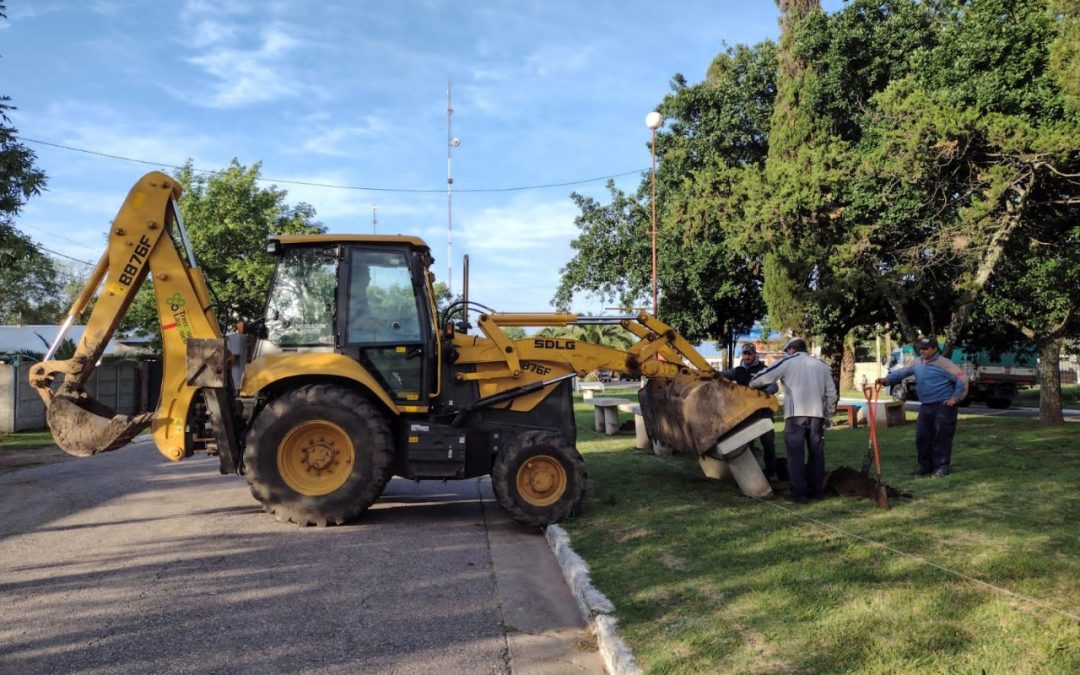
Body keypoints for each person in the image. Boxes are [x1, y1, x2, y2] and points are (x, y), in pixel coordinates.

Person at [749, 337, 837, 503]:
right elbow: (832, 394)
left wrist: (751, 384)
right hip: (817, 416)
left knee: (795, 455)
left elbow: (764, 377)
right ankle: (817, 491)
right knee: (817, 454)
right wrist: (828, 414)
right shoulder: (822, 366)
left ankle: (798, 494)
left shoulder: (788, 362)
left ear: (791, 350)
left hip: (795, 416)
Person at [876, 336, 967, 477]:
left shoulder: (944, 363)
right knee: (922, 437)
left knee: (941, 436)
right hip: (926, 405)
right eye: (920, 349)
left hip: (943, 405)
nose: (922, 351)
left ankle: (941, 467)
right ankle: (925, 466)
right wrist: (887, 380)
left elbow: (962, 379)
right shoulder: (918, 362)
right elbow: (903, 372)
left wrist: (955, 398)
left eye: (925, 348)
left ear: (935, 349)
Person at [718, 343, 782, 481]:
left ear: (754, 354)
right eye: (745, 354)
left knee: (768, 444)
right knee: (747, 445)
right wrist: (707, 372)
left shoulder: (764, 369)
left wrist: (763, 393)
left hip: (764, 413)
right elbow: (720, 375)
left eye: (749, 354)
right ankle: (750, 476)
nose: (747, 357)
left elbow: (774, 387)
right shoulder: (738, 371)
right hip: (746, 415)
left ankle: (772, 473)